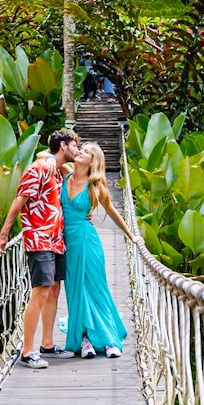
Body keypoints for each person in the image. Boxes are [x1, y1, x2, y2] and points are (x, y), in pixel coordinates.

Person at [0, 129, 80, 369]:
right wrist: (4, 235)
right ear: (63, 146)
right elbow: (19, 200)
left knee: (54, 289)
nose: (77, 150)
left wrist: (53, 160)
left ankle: (47, 344)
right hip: (39, 238)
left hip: (56, 239)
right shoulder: (40, 169)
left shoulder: (57, 170)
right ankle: (27, 351)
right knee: (41, 290)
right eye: (75, 145)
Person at [61, 142, 134, 359]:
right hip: (67, 243)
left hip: (88, 240)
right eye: (80, 149)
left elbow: (111, 211)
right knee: (75, 291)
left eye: (85, 152)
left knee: (96, 288)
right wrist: (68, 150)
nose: (80, 152)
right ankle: (85, 339)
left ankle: (109, 339)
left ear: (92, 162)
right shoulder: (65, 174)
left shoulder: (95, 187)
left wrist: (131, 235)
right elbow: (43, 154)